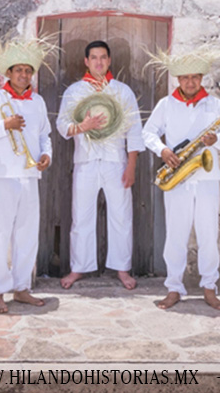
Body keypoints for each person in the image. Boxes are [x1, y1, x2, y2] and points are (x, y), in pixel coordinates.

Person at [142, 49, 220, 310]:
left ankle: (209, 288)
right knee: (176, 235)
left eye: (195, 77)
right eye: (185, 78)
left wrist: (217, 140)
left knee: (208, 235)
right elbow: (148, 133)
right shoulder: (166, 104)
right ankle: (173, 288)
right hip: (177, 178)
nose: (190, 82)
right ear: (177, 80)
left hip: (206, 177)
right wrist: (164, 150)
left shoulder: (215, 104)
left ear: (201, 78)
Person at [0, 37, 54, 314]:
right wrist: (4, 124)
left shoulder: (38, 101)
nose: (24, 75)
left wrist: (46, 156)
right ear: (8, 73)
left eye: (28, 71)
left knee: (27, 234)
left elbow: (45, 135)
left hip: (30, 176)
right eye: (18, 70)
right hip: (2, 177)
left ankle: (21, 288)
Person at [56, 40, 145, 290]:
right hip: (85, 162)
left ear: (109, 60)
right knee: (81, 215)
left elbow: (134, 130)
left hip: (116, 162)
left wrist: (131, 166)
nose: (98, 62)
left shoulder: (122, 91)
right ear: (86, 61)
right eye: (93, 57)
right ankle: (78, 268)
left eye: (103, 57)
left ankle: (122, 269)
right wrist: (82, 127)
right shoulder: (74, 91)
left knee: (121, 215)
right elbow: (62, 126)